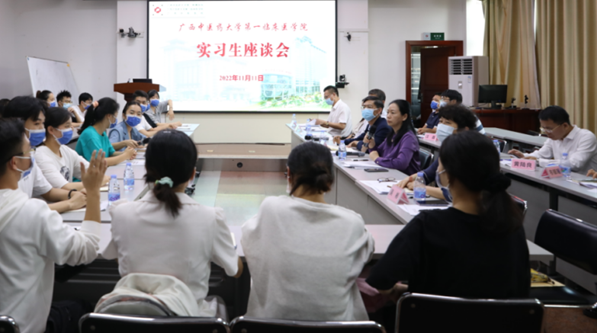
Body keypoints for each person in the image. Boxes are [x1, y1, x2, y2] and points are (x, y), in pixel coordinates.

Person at [0, 118, 106, 333]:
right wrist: (93, 193)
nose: (32, 155)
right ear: (16, 163)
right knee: (80, 308)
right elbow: (87, 249)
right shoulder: (31, 212)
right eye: (28, 151)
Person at [366, 131, 529, 301]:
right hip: (501, 319)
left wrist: (406, 294)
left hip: (433, 316)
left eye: (439, 165)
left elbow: (380, 280)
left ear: (448, 175)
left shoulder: (428, 225)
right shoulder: (513, 226)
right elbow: (521, 293)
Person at [103, 130, 242, 317]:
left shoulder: (122, 214)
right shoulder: (209, 218)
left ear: (147, 169)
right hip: (186, 323)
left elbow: (116, 255)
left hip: (129, 322)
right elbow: (235, 270)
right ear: (192, 173)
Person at [242, 142, 373, 321]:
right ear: (331, 179)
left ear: (289, 174)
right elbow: (368, 251)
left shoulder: (271, 209)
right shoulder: (353, 222)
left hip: (270, 331)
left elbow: (247, 238)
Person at [0, 96, 89, 213]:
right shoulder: (3, 160)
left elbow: (48, 191)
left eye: (43, 123)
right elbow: (19, 210)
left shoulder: (29, 154)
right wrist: (70, 203)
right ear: (16, 124)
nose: (42, 129)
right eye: (37, 123)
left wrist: (73, 194)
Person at [399, 105, 480, 200]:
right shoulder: (448, 148)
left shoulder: (471, 154)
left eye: (448, 123)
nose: (442, 126)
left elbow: (456, 193)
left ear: (464, 129)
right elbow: (428, 174)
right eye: (441, 121)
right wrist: (409, 179)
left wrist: (423, 188)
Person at [508, 106, 597, 173]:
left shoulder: (586, 137)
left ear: (565, 125)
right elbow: (542, 154)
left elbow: (575, 164)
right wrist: (524, 156)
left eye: (549, 129)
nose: (547, 132)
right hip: (563, 179)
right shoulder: (554, 137)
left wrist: (538, 161)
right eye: (544, 128)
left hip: (585, 184)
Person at [35, 106, 96, 190]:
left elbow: (93, 172)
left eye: (71, 125)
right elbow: (65, 187)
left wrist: (98, 178)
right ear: (51, 130)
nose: (72, 129)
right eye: (67, 126)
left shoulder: (64, 149)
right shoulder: (40, 156)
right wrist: (98, 181)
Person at [76, 97, 137, 166]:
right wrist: (125, 155)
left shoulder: (102, 133)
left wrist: (127, 153)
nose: (115, 120)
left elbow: (111, 153)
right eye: (115, 117)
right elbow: (100, 162)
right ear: (109, 116)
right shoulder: (90, 135)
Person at [366, 99, 421, 174]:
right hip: (390, 173)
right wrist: (372, 146)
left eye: (392, 113)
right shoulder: (392, 134)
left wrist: (377, 159)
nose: (388, 116)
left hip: (405, 178)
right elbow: (378, 152)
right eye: (388, 112)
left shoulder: (409, 138)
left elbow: (401, 163)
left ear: (404, 116)